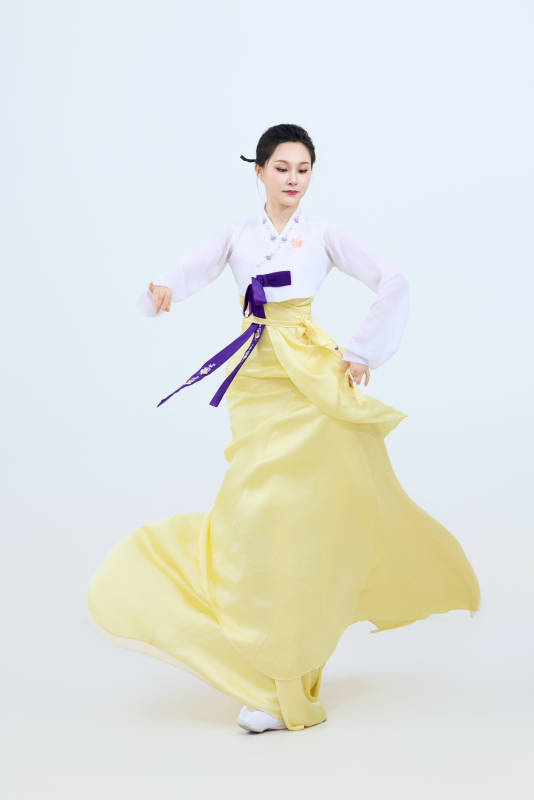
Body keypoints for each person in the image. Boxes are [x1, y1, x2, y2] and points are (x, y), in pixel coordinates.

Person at [87, 123, 481, 733]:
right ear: (259, 171)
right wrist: (163, 289)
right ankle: (266, 678)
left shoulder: (322, 235)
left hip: (311, 377)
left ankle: (285, 685)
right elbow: (190, 271)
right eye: (282, 168)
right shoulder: (237, 235)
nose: (293, 179)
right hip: (256, 379)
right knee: (252, 522)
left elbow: (393, 280)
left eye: (303, 169)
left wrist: (363, 352)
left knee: (304, 529)